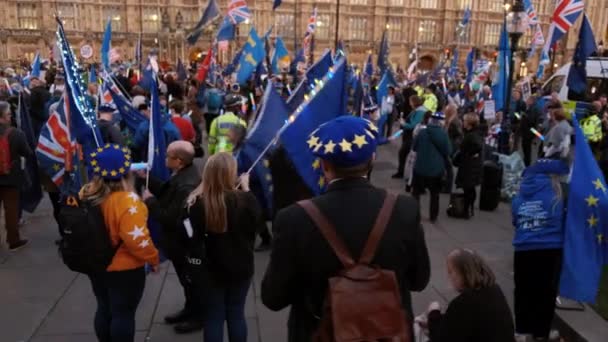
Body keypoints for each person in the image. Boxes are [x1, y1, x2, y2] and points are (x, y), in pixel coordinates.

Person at [262, 116, 431, 341]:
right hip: (386, 333)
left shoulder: (293, 219)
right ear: (372, 159)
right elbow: (419, 279)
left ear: (324, 165)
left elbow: (273, 297)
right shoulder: (404, 209)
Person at [80, 144, 160, 342]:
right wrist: (154, 258)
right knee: (123, 314)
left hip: (97, 265)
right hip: (124, 268)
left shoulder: (86, 194)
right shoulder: (128, 202)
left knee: (104, 307)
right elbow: (137, 241)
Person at [185, 152, 265, 342]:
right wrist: (246, 188)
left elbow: (189, 237)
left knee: (214, 316)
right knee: (236, 314)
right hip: (241, 267)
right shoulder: (246, 201)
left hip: (210, 270)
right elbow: (258, 223)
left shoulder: (197, 204)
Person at [140, 141, 203, 333]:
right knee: (186, 280)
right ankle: (189, 309)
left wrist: (150, 201)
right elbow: (168, 192)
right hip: (178, 243)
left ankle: (198, 316)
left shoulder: (186, 184)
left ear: (180, 161)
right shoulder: (183, 175)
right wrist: (146, 178)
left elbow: (170, 218)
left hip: (183, 244)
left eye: (168, 156)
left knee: (191, 280)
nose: (165, 158)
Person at [512, 159, 569, 342]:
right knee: (546, 293)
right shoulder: (558, 196)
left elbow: (515, 221)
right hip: (550, 251)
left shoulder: (519, 196)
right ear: (553, 177)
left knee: (523, 291)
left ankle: (522, 330)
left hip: (523, 250)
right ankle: (541, 332)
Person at [425, 248, 514, 342]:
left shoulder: (462, 303)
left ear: (463, 273)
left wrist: (433, 313)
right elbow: (462, 321)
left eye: (451, 272)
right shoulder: (495, 289)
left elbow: (440, 338)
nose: (449, 277)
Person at [0, 101, 32, 251]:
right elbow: (27, 152)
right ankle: (13, 240)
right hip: (11, 177)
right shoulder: (16, 133)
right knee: (11, 210)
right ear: (5, 117)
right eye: (8, 114)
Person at [411, 111, 451, 222]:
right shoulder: (443, 134)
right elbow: (448, 151)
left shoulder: (422, 132)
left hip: (420, 168)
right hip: (436, 170)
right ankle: (433, 216)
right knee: (435, 194)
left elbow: (414, 148)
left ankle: (415, 214)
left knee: (416, 193)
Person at [454, 113, 484, 218]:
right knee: (470, 189)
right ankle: (469, 209)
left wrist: (469, 153)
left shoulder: (472, 135)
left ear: (469, 123)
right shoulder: (474, 133)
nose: (463, 123)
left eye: (465, 121)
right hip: (473, 165)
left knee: (468, 189)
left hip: (470, 166)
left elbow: (477, 147)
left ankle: (466, 210)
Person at [393, 95, 427, 179]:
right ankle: (406, 174)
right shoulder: (416, 110)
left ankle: (408, 176)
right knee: (404, 154)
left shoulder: (420, 112)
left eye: (410, 101)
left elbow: (413, 125)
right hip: (409, 136)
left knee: (405, 155)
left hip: (412, 137)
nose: (409, 103)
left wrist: (403, 123)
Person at [521, 95, 543, 166]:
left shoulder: (533, 108)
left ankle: (527, 164)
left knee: (527, 148)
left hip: (529, 132)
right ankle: (526, 162)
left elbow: (531, 120)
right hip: (529, 131)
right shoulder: (533, 108)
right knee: (526, 148)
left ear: (531, 101)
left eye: (528, 100)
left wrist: (524, 115)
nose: (526, 101)